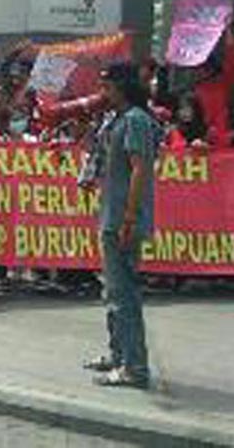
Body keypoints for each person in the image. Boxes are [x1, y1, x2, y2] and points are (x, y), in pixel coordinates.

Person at [83, 63, 158, 389]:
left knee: (124, 294)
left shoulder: (136, 121)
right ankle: (118, 354)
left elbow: (140, 170)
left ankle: (135, 368)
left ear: (122, 87)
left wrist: (129, 216)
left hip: (122, 220)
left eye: (108, 87)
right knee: (112, 290)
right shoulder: (117, 120)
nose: (103, 93)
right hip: (112, 215)